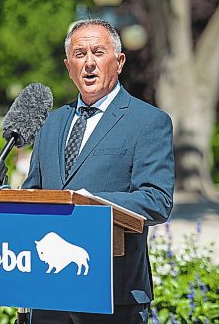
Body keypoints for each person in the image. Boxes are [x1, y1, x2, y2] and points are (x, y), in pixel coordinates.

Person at [21, 19, 175, 324]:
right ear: (68, 66)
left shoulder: (148, 122)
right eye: (79, 54)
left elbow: (156, 201)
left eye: (98, 52)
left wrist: (91, 202)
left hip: (114, 293)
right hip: (48, 293)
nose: (89, 63)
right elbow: (33, 193)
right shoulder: (50, 124)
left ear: (118, 62)